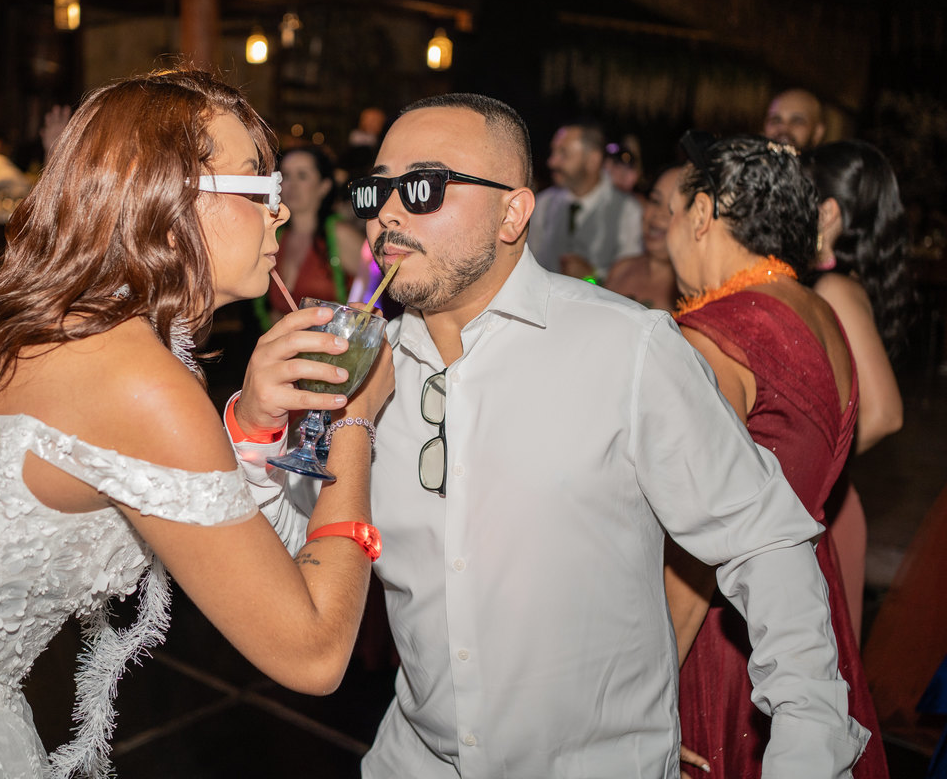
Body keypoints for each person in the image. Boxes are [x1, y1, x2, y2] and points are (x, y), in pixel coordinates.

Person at [0, 69, 394, 777]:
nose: (280, 211)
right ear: (168, 200)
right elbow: (314, 653)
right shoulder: (139, 379)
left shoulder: (63, 317)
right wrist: (355, 421)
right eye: (259, 187)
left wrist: (254, 421)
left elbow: (185, 507)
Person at [229, 93, 868, 777]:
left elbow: (764, 543)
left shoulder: (628, 349)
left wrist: (808, 747)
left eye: (422, 187)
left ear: (513, 213)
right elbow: (298, 552)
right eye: (375, 191)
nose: (387, 213)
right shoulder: (364, 376)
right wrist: (258, 433)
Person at [664, 133, 887, 778]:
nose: (666, 230)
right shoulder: (820, 312)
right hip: (806, 611)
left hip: (721, 630)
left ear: (701, 214)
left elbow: (696, 544)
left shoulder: (715, 336)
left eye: (671, 211)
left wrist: (651, 688)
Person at [804, 139, 915, 643]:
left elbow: (886, 413)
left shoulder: (835, 289)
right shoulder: (829, 284)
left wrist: (810, 475)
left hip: (824, 514)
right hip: (823, 512)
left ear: (827, 212)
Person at [254, 145, 364, 330]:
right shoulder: (276, 237)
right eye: (285, 176)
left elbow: (379, 290)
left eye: (302, 175)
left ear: (324, 186)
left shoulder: (339, 235)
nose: (291, 185)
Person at [526, 120, 641, 280]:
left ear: (593, 160)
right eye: (553, 152)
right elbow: (528, 266)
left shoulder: (628, 210)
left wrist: (592, 277)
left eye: (563, 154)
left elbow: (630, 279)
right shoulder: (542, 204)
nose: (552, 162)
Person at [605, 165, 682, 310]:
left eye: (672, 208)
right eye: (655, 201)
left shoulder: (688, 291)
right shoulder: (620, 269)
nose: (658, 214)